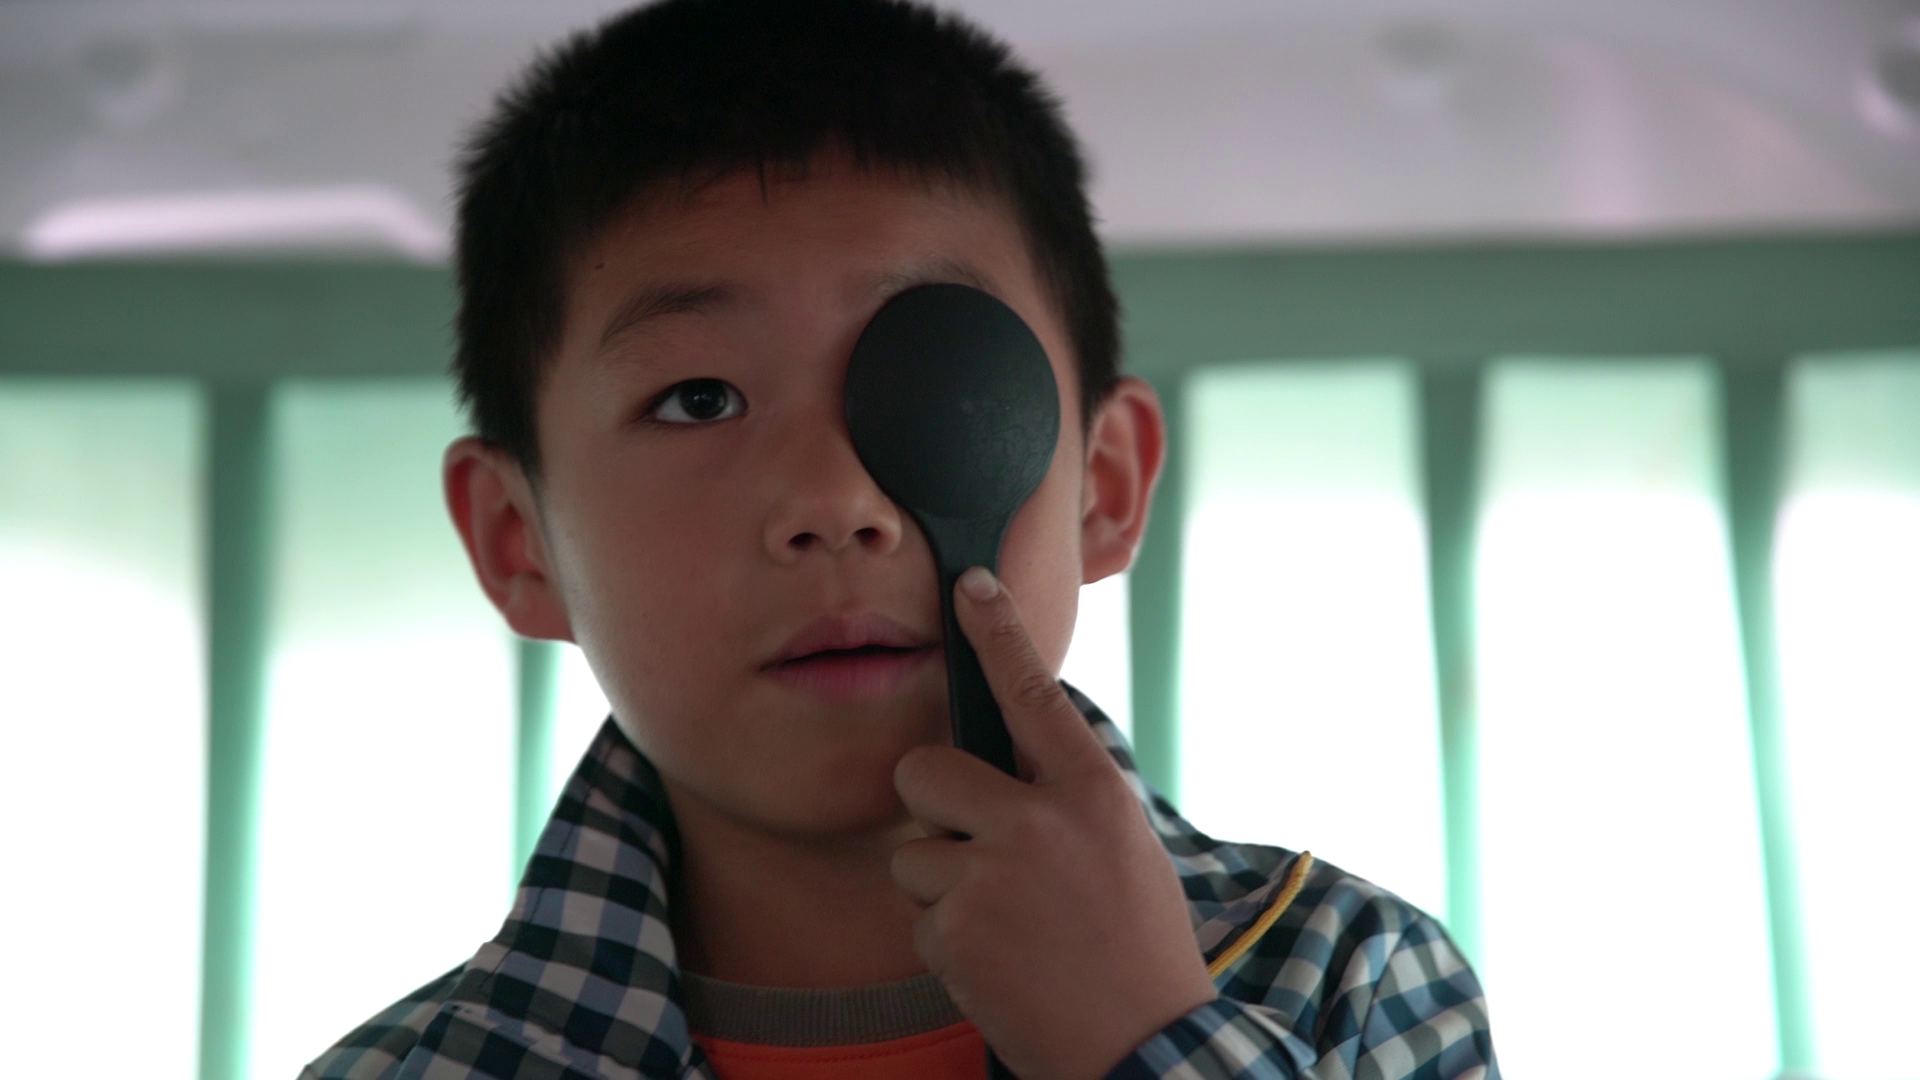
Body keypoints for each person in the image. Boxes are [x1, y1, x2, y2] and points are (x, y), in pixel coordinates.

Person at [303, 0, 1497, 1076]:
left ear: (1103, 485)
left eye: (940, 385)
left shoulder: (1350, 985)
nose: (834, 502)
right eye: (699, 399)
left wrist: (1144, 1043)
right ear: (519, 541)